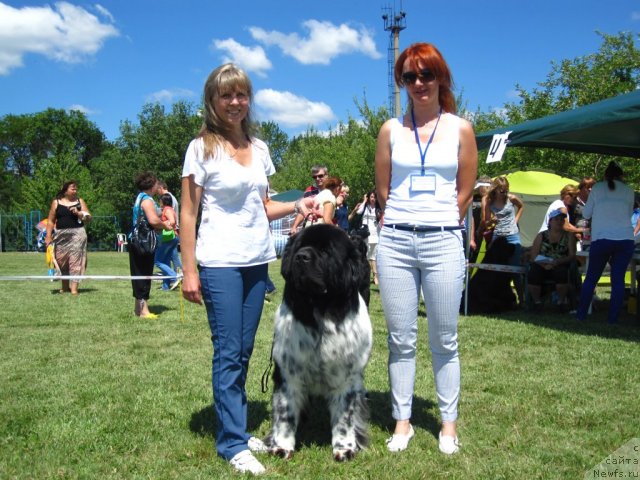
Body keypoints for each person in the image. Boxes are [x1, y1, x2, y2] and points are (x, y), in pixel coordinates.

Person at [179, 63, 317, 475]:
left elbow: (263, 206)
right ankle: (232, 443)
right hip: (219, 262)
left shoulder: (260, 148)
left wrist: (298, 205)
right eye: (226, 95)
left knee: (243, 349)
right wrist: (189, 270)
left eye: (241, 95)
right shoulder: (200, 148)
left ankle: (235, 428)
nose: (235, 102)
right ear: (213, 100)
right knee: (228, 352)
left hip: (257, 261)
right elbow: (188, 213)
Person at [374, 43, 477, 455]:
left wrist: (441, 220)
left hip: (443, 240)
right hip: (396, 240)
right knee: (400, 338)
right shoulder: (390, 130)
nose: (419, 84)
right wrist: (402, 217)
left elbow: (466, 190)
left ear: (441, 79)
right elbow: (384, 190)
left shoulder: (460, 129)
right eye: (410, 77)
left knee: (444, 338)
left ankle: (447, 424)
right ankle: (403, 422)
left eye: (426, 75)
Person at [576, 161, 634, 325]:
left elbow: (586, 214)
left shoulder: (597, 189)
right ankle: (612, 319)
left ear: (605, 176)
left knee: (591, 278)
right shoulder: (629, 191)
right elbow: (628, 214)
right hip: (625, 239)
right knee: (618, 280)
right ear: (621, 176)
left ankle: (581, 315)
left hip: (602, 239)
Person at [129, 172, 172, 319]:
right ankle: (144, 311)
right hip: (143, 242)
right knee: (144, 274)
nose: (157, 186)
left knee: (138, 273)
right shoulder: (147, 200)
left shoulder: (140, 197)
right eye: (156, 184)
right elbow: (153, 220)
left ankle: (138, 308)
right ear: (151, 185)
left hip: (137, 241)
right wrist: (165, 225)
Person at [45, 180, 92, 296]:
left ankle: (74, 289)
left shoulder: (80, 201)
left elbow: (89, 218)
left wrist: (79, 213)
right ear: (65, 190)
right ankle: (65, 287)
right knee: (62, 260)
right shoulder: (56, 202)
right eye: (73, 189)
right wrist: (48, 236)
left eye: (76, 189)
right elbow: (51, 221)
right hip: (61, 235)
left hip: (77, 234)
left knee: (75, 260)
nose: (75, 191)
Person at [482, 176, 525, 301]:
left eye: (506, 190)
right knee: (497, 269)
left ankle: (522, 300)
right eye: (501, 190)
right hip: (498, 237)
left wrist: (515, 220)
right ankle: (497, 298)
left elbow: (521, 206)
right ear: (495, 189)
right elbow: (486, 223)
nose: (504, 193)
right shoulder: (489, 202)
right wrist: (491, 221)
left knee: (515, 269)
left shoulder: (511, 198)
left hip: (513, 236)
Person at [527, 208, 576, 312]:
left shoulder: (569, 236)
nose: (559, 222)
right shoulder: (541, 235)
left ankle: (560, 303)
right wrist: (544, 265)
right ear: (550, 221)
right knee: (533, 273)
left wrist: (557, 262)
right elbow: (534, 255)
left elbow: (572, 255)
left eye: (562, 220)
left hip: (560, 263)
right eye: (556, 219)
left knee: (562, 273)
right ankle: (537, 303)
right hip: (542, 264)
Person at [352, 191, 382, 284]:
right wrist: (364, 201)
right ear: (368, 197)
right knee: (365, 255)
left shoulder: (378, 208)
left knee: (374, 256)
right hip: (365, 234)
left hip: (376, 234)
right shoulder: (364, 206)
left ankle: (375, 277)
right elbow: (358, 212)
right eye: (371, 197)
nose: (373, 199)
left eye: (374, 197)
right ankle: (365, 275)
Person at [290, 165, 328, 233]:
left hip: (329, 229)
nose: (317, 178)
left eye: (320, 176)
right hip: (312, 229)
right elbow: (303, 211)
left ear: (326, 175)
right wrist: (294, 227)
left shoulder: (333, 190)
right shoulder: (309, 190)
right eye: (314, 177)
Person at [154, 193, 180, 291]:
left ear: (163, 201)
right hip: (172, 238)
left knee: (158, 261)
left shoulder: (167, 210)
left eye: (160, 201)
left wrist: (161, 224)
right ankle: (166, 286)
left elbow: (172, 221)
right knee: (166, 261)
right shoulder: (169, 209)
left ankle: (174, 276)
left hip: (168, 238)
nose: (159, 202)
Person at [157, 180, 182, 273]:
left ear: (161, 188)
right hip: (172, 233)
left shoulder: (168, 199)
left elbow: (172, 219)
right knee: (171, 257)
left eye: (157, 189)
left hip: (171, 234)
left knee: (173, 257)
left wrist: (163, 224)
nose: (157, 192)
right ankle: (168, 281)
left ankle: (178, 276)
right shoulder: (172, 198)